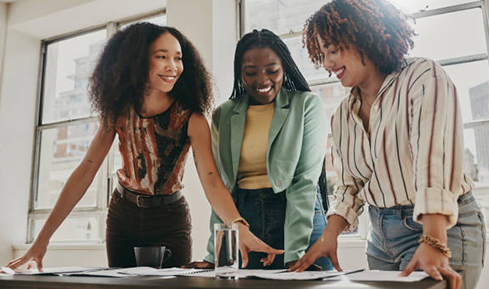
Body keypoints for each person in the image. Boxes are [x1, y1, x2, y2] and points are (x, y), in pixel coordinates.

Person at [6, 23, 282, 270]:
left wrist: (239, 228)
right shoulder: (118, 112)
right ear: (137, 60)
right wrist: (41, 242)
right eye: (161, 56)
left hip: (169, 218)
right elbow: (86, 171)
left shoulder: (192, 118)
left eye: (178, 57)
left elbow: (211, 180)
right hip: (122, 215)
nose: (173, 66)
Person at [290, 1, 486, 289]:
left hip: (442, 226)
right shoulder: (342, 115)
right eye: (322, 55)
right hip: (380, 238)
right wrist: (328, 237)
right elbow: (350, 186)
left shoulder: (422, 77)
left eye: (332, 50)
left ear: (363, 36)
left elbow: (435, 163)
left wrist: (433, 240)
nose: (328, 64)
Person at [188, 29, 333, 270]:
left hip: (300, 218)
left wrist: (294, 253)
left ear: (284, 67)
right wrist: (216, 254)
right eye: (251, 72)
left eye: (272, 70)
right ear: (240, 74)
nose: (262, 80)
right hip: (246, 223)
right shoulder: (224, 114)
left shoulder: (306, 105)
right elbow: (223, 188)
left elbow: (304, 182)